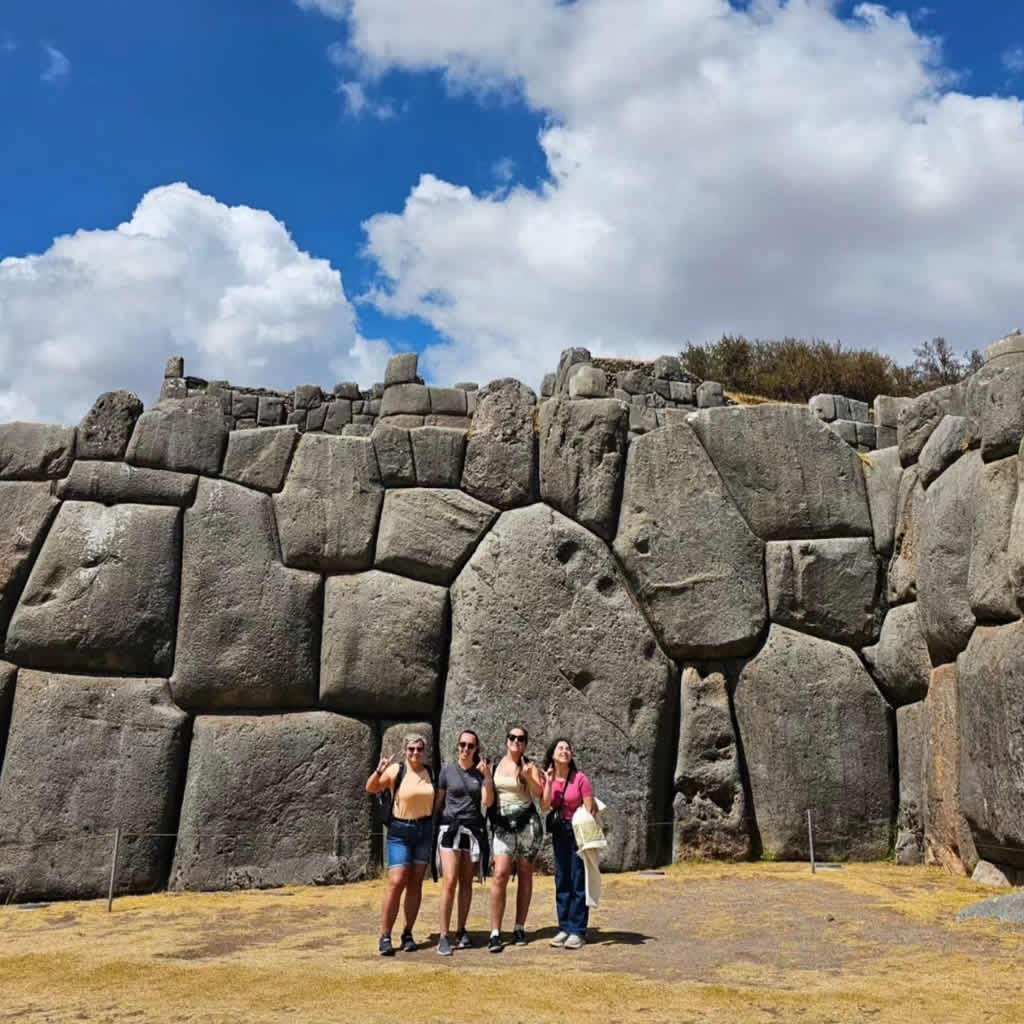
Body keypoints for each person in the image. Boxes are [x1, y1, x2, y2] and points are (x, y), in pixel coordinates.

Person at [365, 732, 435, 956]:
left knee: (415, 883)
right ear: (405, 751)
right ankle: (385, 935)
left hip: (423, 830)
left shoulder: (430, 773)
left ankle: (408, 933)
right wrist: (379, 770)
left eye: (419, 749)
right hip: (400, 831)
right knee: (397, 881)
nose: (416, 753)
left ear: (425, 752)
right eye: (411, 749)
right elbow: (371, 788)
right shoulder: (397, 770)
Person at [434, 729, 494, 956]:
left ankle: (461, 930)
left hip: (472, 830)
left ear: (476, 749)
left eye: (470, 745)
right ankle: (443, 935)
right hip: (450, 829)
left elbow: (487, 802)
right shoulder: (447, 771)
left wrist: (487, 776)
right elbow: (438, 803)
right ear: (457, 746)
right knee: (450, 881)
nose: (465, 749)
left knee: (466, 882)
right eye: (462, 744)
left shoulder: (480, 774)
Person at [488, 725, 544, 952]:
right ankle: (495, 931)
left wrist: (527, 776)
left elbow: (538, 793)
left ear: (525, 744)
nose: (516, 741)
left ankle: (519, 926)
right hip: (502, 824)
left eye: (521, 739)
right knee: (500, 873)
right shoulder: (495, 765)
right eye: (512, 737)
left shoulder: (529, 766)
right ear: (506, 741)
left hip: (526, 823)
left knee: (525, 874)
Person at [541, 737, 598, 950]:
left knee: (577, 879)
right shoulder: (549, 777)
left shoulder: (580, 778)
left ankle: (578, 930)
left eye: (567, 748)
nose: (565, 751)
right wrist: (547, 782)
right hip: (559, 833)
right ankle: (564, 927)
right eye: (560, 748)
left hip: (578, 832)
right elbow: (545, 805)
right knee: (562, 879)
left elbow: (589, 808)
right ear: (553, 754)